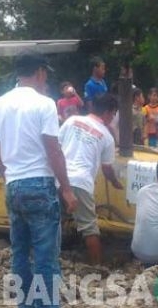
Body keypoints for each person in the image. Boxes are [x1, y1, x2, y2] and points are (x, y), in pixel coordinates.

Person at [0, 51, 78, 308]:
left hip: (13, 185)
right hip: (39, 184)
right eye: (45, 73)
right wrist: (67, 189)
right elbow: (53, 149)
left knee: (20, 253)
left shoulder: (0, 104)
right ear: (39, 72)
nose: (46, 78)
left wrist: (10, 178)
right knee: (45, 255)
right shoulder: (44, 104)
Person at [59, 93, 124, 265]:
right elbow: (107, 167)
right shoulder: (107, 137)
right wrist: (115, 182)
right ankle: (97, 266)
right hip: (81, 182)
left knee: (53, 220)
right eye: (113, 113)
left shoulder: (71, 121)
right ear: (109, 112)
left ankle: (49, 260)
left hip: (58, 179)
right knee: (89, 228)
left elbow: (56, 148)